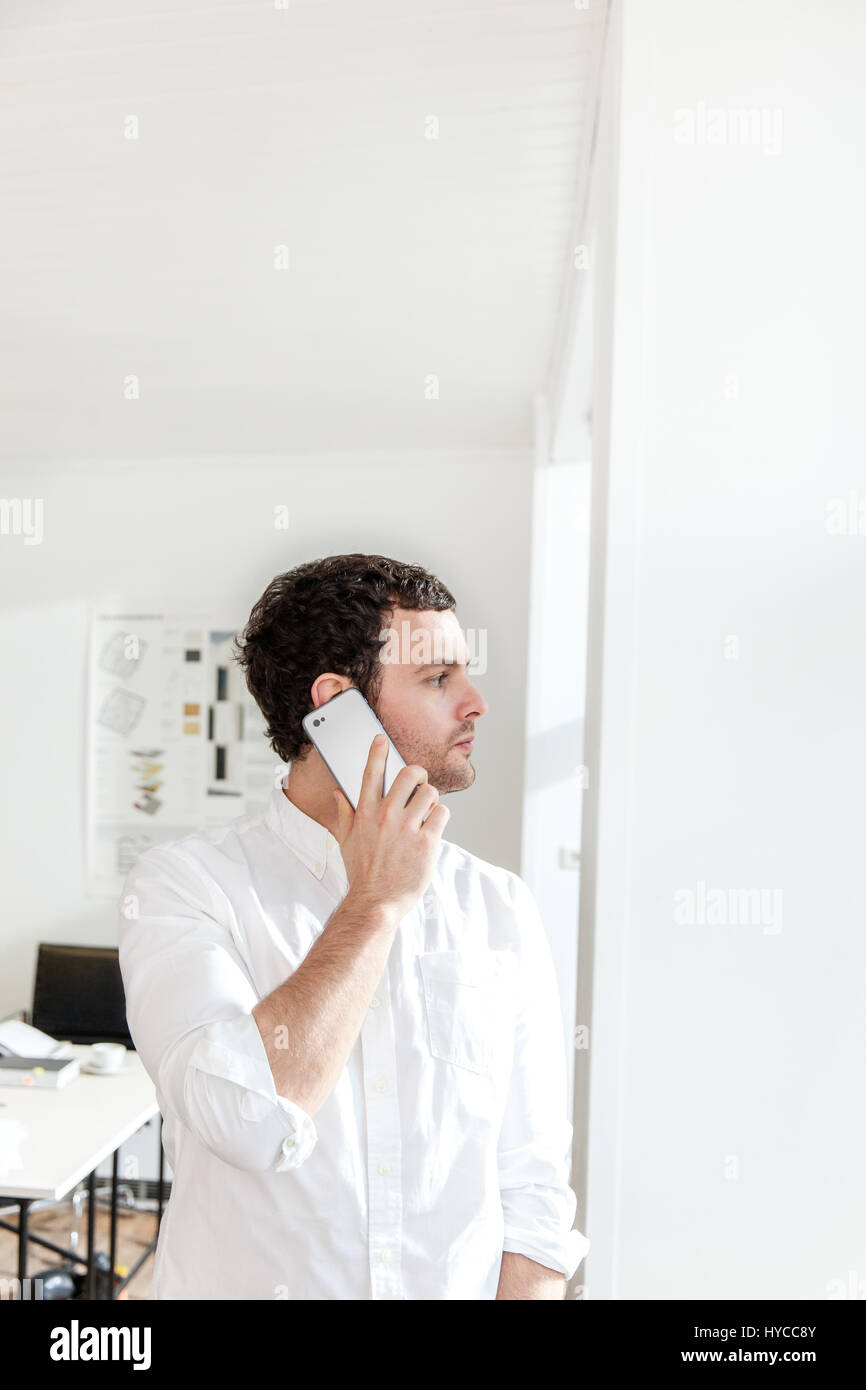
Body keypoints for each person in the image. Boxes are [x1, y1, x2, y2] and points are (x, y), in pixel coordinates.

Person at [117, 553, 590, 1299]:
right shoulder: (185, 887)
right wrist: (373, 905)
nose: (475, 703)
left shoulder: (500, 907)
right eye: (438, 679)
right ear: (339, 708)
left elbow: (532, 1193)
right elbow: (245, 1120)